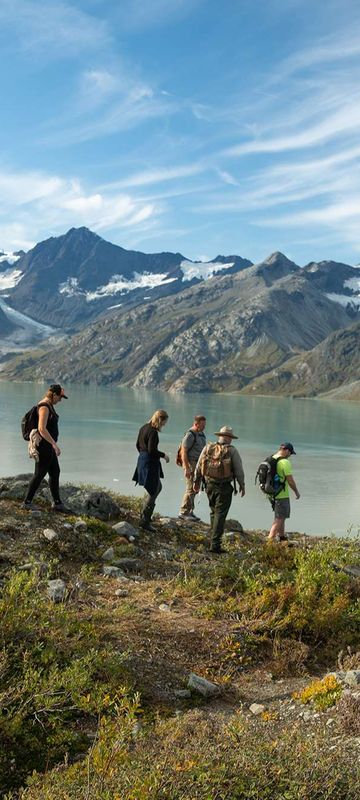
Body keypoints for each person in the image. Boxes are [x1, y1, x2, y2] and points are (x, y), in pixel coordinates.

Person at [193, 425, 245, 553]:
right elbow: (239, 471)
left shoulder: (208, 447)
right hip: (224, 487)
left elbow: (199, 465)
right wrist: (242, 485)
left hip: (209, 484)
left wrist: (196, 481)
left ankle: (213, 538)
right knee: (220, 514)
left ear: (220, 436)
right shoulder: (232, 451)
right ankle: (215, 545)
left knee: (213, 512)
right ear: (229, 438)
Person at [24, 384, 69, 512]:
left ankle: (57, 503)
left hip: (48, 446)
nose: (60, 400)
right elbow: (41, 429)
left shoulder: (49, 406)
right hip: (44, 446)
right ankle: (27, 502)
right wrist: (54, 444)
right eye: (60, 397)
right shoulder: (44, 406)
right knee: (39, 474)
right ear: (53, 394)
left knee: (55, 472)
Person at [133, 409, 169, 532]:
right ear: (160, 420)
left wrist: (143, 457)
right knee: (154, 489)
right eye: (164, 422)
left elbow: (137, 445)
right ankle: (144, 521)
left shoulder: (143, 428)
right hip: (149, 463)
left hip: (143, 460)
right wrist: (164, 455)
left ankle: (144, 515)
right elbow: (152, 450)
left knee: (156, 487)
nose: (164, 425)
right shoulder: (153, 432)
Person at [267, 442, 300, 543]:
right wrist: (296, 492)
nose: (290, 455)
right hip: (281, 494)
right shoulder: (284, 462)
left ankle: (282, 538)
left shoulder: (272, 458)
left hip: (272, 493)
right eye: (290, 453)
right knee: (279, 519)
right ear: (286, 450)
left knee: (281, 516)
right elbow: (290, 481)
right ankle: (269, 543)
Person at [178, 414, 207, 521]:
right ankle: (183, 511)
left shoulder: (201, 434)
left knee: (195, 487)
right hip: (191, 463)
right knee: (190, 487)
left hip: (199, 464)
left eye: (204, 425)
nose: (204, 427)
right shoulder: (190, 435)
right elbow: (183, 451)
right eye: (202, 425)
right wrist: (186, 467)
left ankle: (190, 511)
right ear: (196, 423)